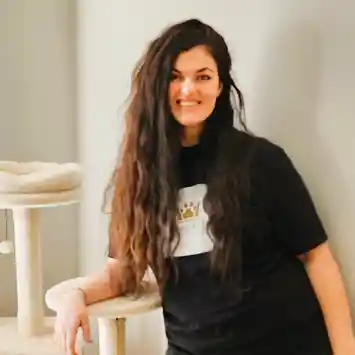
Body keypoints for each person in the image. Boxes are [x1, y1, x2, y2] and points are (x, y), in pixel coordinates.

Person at [54, 19, 355, 355]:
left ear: (220, 86)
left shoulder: (261, 161)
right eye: (175, 77)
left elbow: (317, 257)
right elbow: (121, 273)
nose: (188, 89)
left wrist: (346, 350)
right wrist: (75, 296)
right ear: (158, 85)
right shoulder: (139, 176)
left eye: (203, 77)